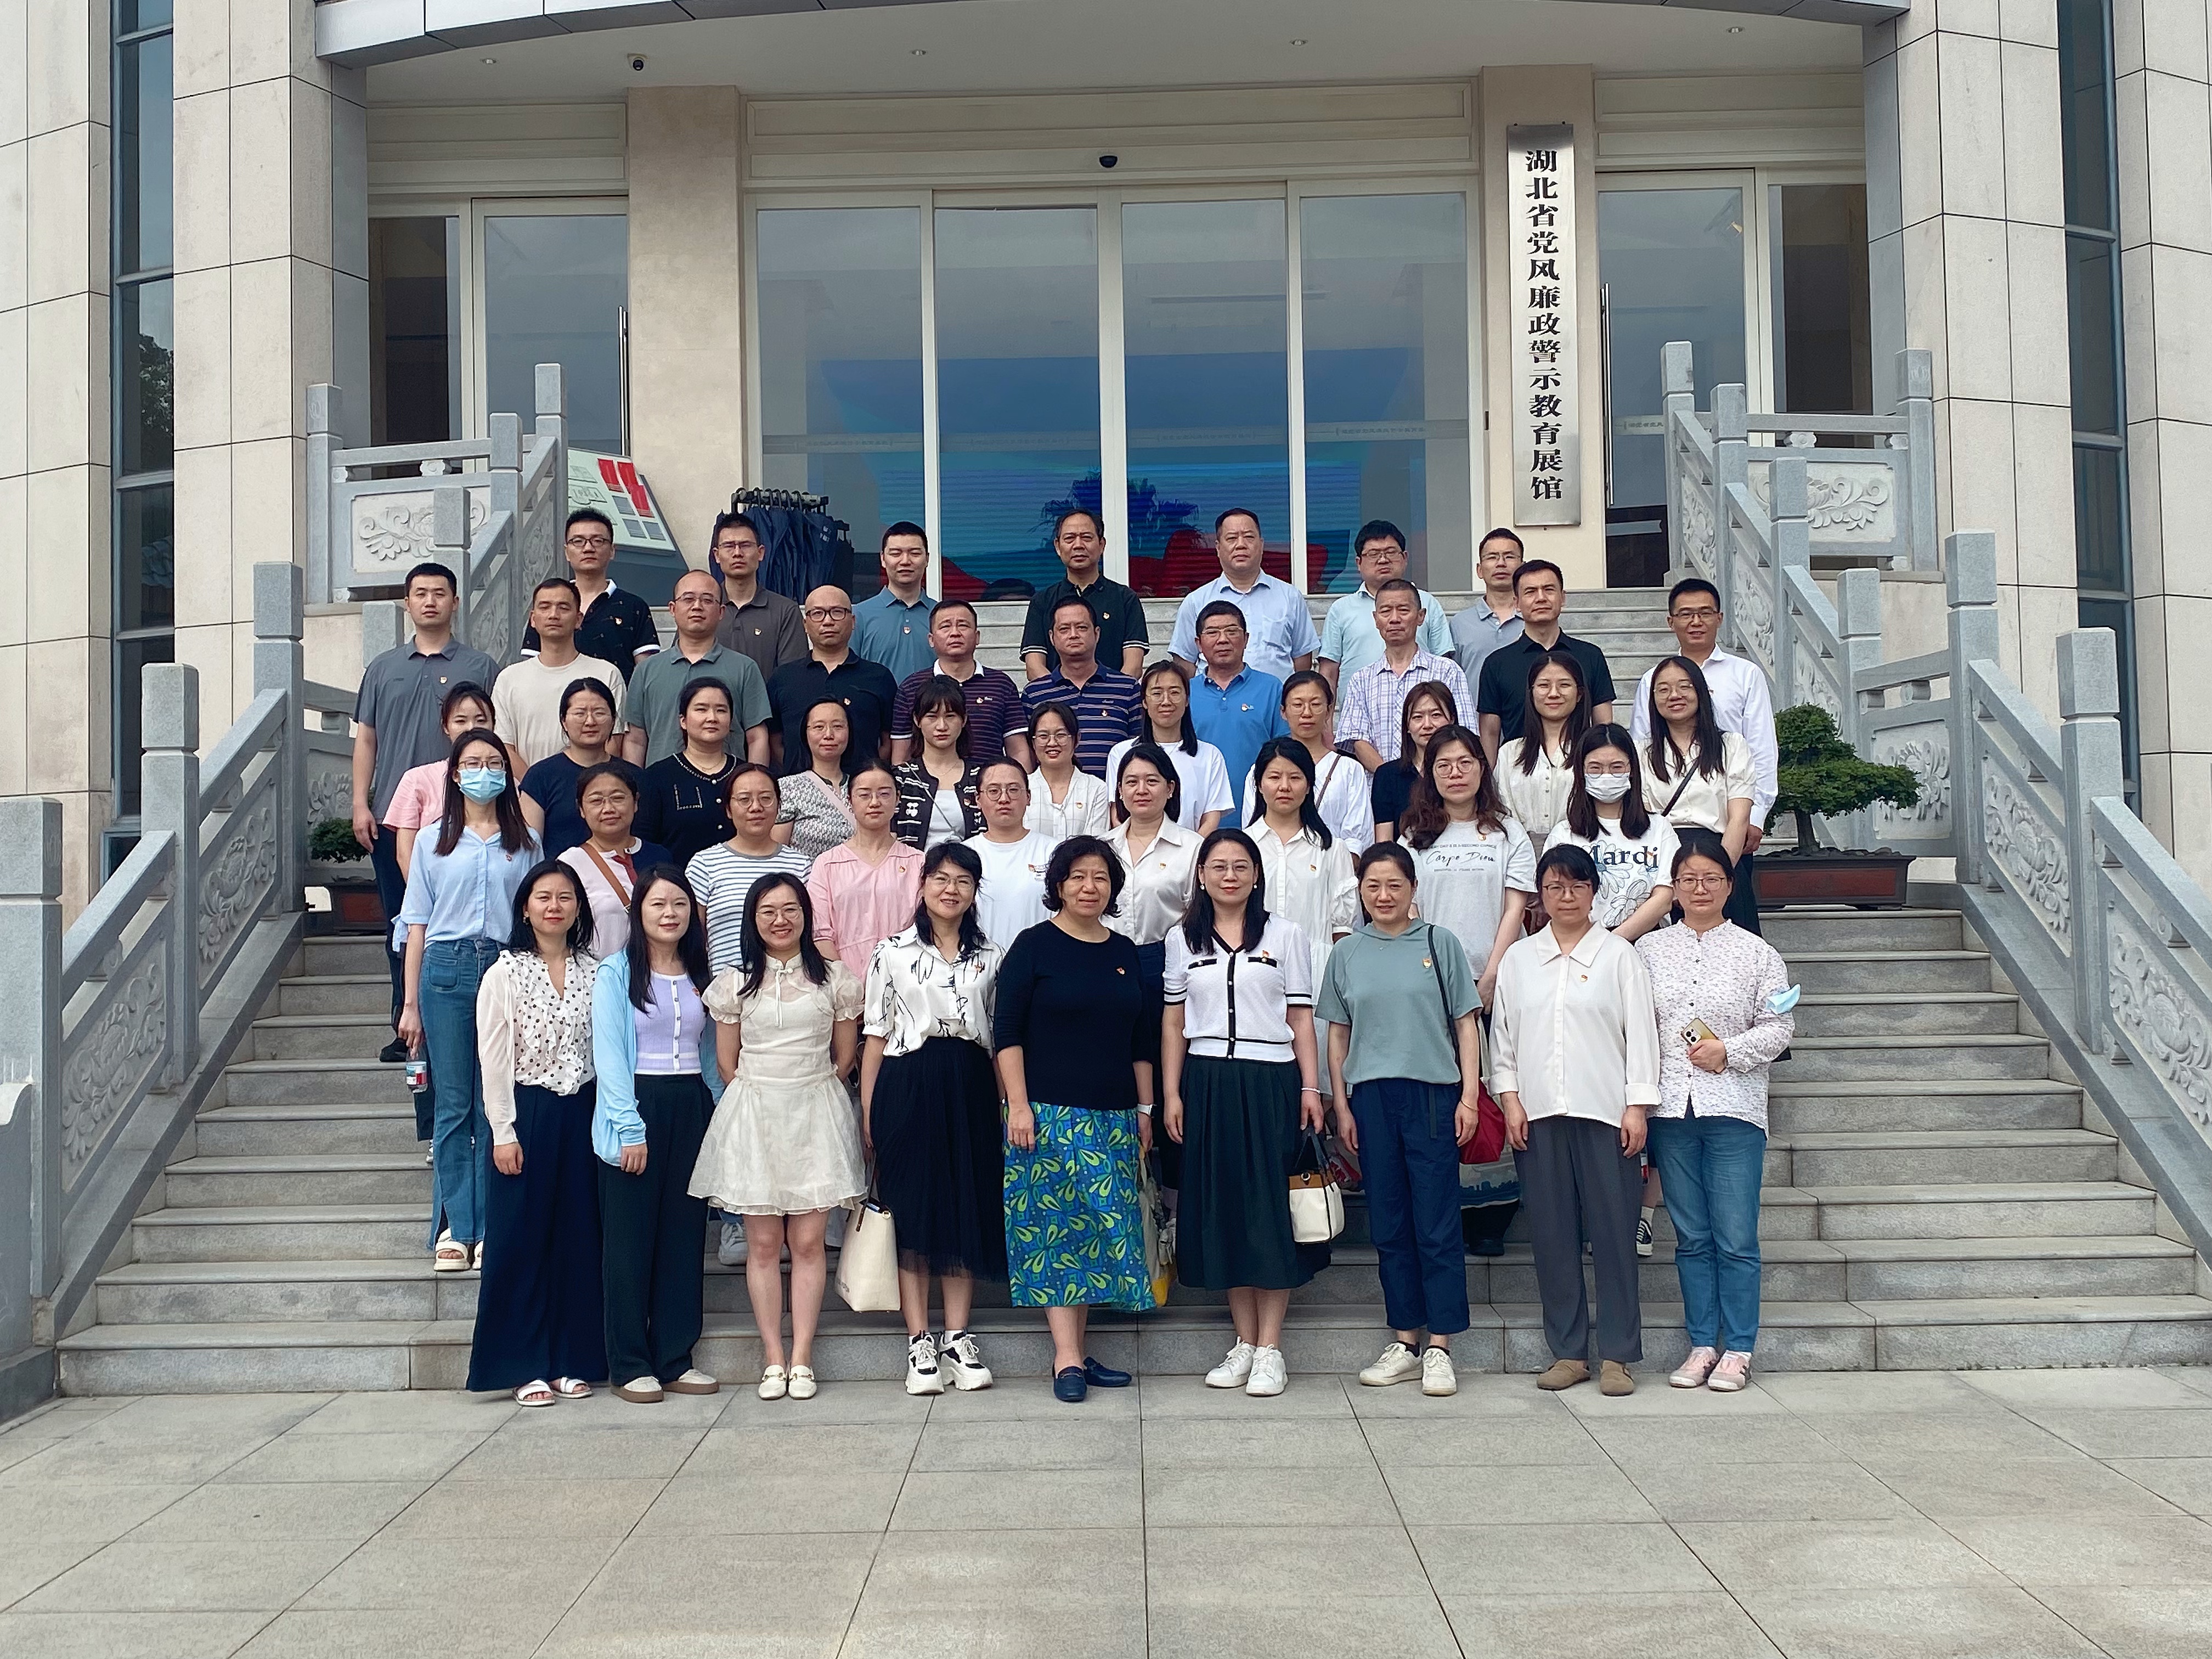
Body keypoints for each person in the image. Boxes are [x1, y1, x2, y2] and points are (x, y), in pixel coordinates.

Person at [1493, 844, 1661, 1397]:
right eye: (1554, 887)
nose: (1566, 897)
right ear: (1539, 897)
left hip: (1606, 1113)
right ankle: (1568, 1353)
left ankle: (1618, 1355)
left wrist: (1637, 1106)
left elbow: (1642, 1036)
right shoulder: (1520, 959)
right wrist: (1510, 1100)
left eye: (1577, 886)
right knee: (1552, 1236)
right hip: (1538, 1116)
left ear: (1594, 892)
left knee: (1614, 1236)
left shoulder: (1619, 956)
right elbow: (1504, 1039)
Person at [1319, 843, 1484, 1398]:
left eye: (1394, 885)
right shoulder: (1347, 952)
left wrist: (1468, 1096)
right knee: (1389, 1223)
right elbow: (1338, 1034)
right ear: (1360, 893)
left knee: (1436, 1221)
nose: (1384, 895)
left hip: (1433, 1096)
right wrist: (1343, 1105)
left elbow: (1466, 1024)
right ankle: (1406, 1339)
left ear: (1413, 888)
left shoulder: (1440, 943)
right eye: (1373, 886)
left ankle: (1441, 1345)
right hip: (1370, 1097)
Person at [1164, 828, 1324, 1398]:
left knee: (1268, 1210)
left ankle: (1271, 1348)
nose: (1229, 876)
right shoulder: (1182, 938)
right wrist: (1172, 1093)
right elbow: (1174, 1022)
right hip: (1207, 1081)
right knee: (1226, 1209)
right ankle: (1245, 1342)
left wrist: (1311, 1087)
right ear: (1201, 875)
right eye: (1218, 866)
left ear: (1257, 875)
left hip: (1270, 1081)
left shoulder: (1286, 934)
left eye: (1240, 866)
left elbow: (1301, 1017)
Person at [993, 836, 1155, 1402]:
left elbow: (1141, 1042)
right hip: (1046, 1117)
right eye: (1078, 876)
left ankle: (1079, 1353)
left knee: (1096, 1234)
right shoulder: (1033, 946)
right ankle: (1065, 1359)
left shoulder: (1124, 950)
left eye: (1101, 877)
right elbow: (1006, 1032)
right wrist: (1018, 1105)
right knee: (1056, 1233)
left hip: (1113, 1117)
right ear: (1058, 885)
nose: (1090, 887)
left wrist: (1145, 1110)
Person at [693, 873, 866, 1403]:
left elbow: (845, 1058)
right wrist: (768, 1090)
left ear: (806, 916)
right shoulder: (734, 983)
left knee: (809, 1243)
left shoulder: (835, 979)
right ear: (753, 920)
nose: (780, 920)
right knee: (764, 1245)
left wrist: (808, 1087)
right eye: (768, 911)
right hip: (756, 1115)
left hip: (815, 1112)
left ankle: (803, 1356)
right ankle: (773, 1357)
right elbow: (727, 1064)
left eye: (790, 909)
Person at [1637, 833, 1795, 1393]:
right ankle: (1703, 1343)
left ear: (1730, 886)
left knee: (1735, 1237)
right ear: (1673, 888)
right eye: (1689, 879)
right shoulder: (1648, 952)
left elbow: (1780, 1027)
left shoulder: (1758, 954)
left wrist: (1729, 1051)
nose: (1700, 889)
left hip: (1734, 1109)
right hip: (1670, 1111)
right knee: (1692, 1236)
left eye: (1712, 879)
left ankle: (1740, 1348)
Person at [860, 842, 1006, 1395]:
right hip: (908, 1082)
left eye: (963, 881)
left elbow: (998, 1040)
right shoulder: (891, 951)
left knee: (964, 1204)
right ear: (922, 886)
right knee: (914, 1208)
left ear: (974, 892)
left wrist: (1006, 1105)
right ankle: (919, 1340)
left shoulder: (992, 955)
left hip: (970, 1082)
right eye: (941, 878)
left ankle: (957, 1337)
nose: (951, 889)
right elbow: (875, 1035)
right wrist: (869, 1112)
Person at [396, 730, 543, 1272]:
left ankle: (491, 1228)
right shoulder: (432, 840)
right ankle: (459, 1228)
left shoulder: (527, 842)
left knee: (495, 1103)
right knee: (454, 1104)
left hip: (506, 969)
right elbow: (417, 924)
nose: (485, 771)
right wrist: (410, 1004)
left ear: (507, 772)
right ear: (456, 774)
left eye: (494, 763)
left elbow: (537, 919)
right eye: (473, 763)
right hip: (446, 969)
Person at [352, 562, 500, 1063]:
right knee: (404, 923)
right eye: (420, 593)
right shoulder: (382, 668)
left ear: (455, 602)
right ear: (408, 603)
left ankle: (472, 1022)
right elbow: (367, 739)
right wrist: (360, 802)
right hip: (396, 817)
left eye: (440, 593)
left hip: (466, 814)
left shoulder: (481, 667)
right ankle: (406, 1024)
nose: (430, 601)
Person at [470, 860, 605, 1404]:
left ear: (578, 908)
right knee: (521, 1239)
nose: (555, 906)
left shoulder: (597, 971)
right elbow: (493, 1059)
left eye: (565, 897)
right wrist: (503, 1131)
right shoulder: (504, 973)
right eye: (544, 897)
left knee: (579, 1236)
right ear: (525, 908)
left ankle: (573, 1359)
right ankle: (523, 1365)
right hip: (527, 1112)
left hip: (584, 1111)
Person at [591, 867, 720, 1404]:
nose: (670, 914)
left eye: (680, 904)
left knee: (683, 1236)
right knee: (629, 1241)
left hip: (690, 1103)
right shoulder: (616, 973)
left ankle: (675, 1357)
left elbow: (712, 1052)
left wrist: (718, 1113)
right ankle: (629, 1363)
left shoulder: (701, 974)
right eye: (658, 904)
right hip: (637, 1104)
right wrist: (630, 1128)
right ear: (638, 912)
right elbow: (609, 1057)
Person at [1629, 577, 1779, 865]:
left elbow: (1761, 748)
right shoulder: (1652, 679)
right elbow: (1643, 744)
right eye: (1686, 614)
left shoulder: (1746, 675)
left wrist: (1756, 815)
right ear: (1671, 622)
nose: (1696, 621)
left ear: (1719, 618)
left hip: (1728, 819)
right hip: (1665, 831)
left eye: (1705, 613)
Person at [1399, 725, 1535, 1009]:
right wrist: (1429, 969)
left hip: (1501, 975)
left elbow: (1515, 910)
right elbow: (1411, 910)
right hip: (1432, 976)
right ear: (1430, 774)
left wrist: (1491, 976)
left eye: (1465, 763)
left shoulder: (1509, 833)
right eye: (1444, 766)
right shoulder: (1413, 838)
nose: (1456, 774)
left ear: (1482, 768)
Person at [1642, 654, 1762, 935]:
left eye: (1684, 687)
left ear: (1701, 692)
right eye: (1663, 689)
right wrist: (1669, 884)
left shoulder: (1731, 746)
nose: (1674, 695)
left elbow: (1738, 819)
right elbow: (1644, 823)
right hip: (1665, 866)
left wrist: (1716, 876)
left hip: (1721, 856)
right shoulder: (1641, 753)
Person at [623, 569, 772, 769]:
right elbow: (636, 740)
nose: (697, 607)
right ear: (673, 609)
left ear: (721, 612)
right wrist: (635, 785)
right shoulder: (646, 670)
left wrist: (754, 782)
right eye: (688, 599)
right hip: (661, 784)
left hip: (728, 784)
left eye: (708, 600)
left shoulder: (744, 668)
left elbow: (757, 737)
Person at [1544, 726, 1679, 941]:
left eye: (1617, 767)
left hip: (1648, 943)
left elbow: (1664, 897)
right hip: (1582, 944)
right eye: (1595, 768)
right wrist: (1595, 946)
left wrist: (1612, 943)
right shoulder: (1563, 834)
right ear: (1581, 771)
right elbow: (1557, 897)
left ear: (1632, 769)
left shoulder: (1659, 828)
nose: (1606, 775)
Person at [1475, 560, 1616, 757]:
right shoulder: (1497, 663)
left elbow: (1604, 725)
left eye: (1549, 590)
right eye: (1530, 592)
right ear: (1517, 603)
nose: (1541, 598)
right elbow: (1490, 733)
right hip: (1518, 767)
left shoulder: (1591, 656)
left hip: (1578, 765)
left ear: (1563, 597)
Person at [1246, 737, 1358, 986]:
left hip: (1316, 974)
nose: (1284, 787)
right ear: (1259, 785)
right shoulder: (1244, 847)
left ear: (1309, 786)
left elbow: (1342, 929)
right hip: (1254, 975)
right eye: (1275, 777)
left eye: (1295, 778)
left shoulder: (1331, 849)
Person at [686, 761, 813, 973]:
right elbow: (694, 937)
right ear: (728, 809)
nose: (756, 807)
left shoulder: (800, 864)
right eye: (745, 799)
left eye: (766, 798)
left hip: (791, 986)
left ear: (779, 806)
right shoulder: (704, 864)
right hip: (726, 987)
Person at [1339, 578, 1471, 776]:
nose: (1394, 619)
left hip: (1438, 785)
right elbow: (1358, 740)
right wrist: (1393, 779)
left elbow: (1464, 732)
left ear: (1421, 616)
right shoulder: (1361, 680)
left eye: (1403, 610)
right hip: (1381, 787)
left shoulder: (1447, 672)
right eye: (1386, 611)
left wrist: (1426, 778)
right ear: (1376, 619)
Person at [1169, 508, 1318, 680]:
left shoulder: (1290, 597)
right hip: (1216, 698)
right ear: (1218, 547)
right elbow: (1185, 664)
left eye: (1249, 537)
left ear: (1261, 545)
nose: (1241, 545)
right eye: (1232, 538)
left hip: (1276, 697)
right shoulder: (1196, 601)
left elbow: (1302, 661)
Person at [495, 578, 628, 769]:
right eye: (545, 607)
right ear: (533, 619)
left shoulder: (607, 674)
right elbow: (504, 746)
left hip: (593, 785)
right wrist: (535, 784)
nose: (554, 615)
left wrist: (588, 784)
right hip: (525, 787)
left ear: (579, 619)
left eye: (563, 608)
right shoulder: (509, 679)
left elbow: (613, 742)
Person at [766, 586, 901, 775]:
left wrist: (867, 775)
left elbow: (889, 741)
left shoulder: (879, 677)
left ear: (853, 621)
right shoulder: (783, 678)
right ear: (805, 624)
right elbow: (775, 741)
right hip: (798, 786)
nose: (828, 621)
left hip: (862, 788)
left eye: (837, 612)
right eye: (818, 614)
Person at [385, 681, 511, 881]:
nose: (471, 728)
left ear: (493, 725)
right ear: (446, 726)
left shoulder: (506, 780)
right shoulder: (417, 780)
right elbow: (405, 854)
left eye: (481, 720)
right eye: (460, 721)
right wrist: (424, 895)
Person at [809, 760, 923, 979]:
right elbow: (820, 934)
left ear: (898, 798)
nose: (875, 802)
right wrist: (846, 985)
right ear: (849, 800)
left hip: (907, 981)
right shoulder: (827, 864)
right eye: (864, 795)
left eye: (884, 794)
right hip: (844, 984)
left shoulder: (917, 863)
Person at [520, 508, 662, 682]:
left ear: (612, 550)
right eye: (578, 541)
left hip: (615, 698)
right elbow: (532, 668)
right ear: (567, 552)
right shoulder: (549, 606)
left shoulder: (634, 607)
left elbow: (646, 674)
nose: (588, 548)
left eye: (598, 541)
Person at [1240, 670, 1373, 853]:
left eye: (1316, 704)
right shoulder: (1262, 770)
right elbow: (1252, 829)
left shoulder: (1349, 769)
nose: (1307, 713)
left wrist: (1333, 864)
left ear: (1329, 710)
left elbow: (1357, 839)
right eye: (1297, 705)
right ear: (1283, 712)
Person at [890, 599, 1031, 769]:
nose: (955, 633)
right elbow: (901, 756)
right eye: (945, 627)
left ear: (977, 637)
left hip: (990, 783)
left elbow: (1018, 750)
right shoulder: (911, 688)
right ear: (931, 639)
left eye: (963, 626)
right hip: (928, 784)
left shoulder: (1002, 685)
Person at [1018, 594, 1144, 778]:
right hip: (1051, 794)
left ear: (1097, 633)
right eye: (1064, 629)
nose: (1073, 635)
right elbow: (1028, 755)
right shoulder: (1034, 694)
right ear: (1052, 638)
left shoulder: (1128, 689)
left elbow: (1139, 751)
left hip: (1113, 793)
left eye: (1082, 627)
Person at [1318, 519, 1454, 688]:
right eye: (1373, 554)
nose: (1383, 560)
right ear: (1359, 563)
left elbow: (1444, 661)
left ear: (1405, 558)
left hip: (1420, 703)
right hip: (1359, 703)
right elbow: (1329, 672)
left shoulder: (1427, 602)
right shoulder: (1341, 609)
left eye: (1391, 552)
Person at [1020, 507, 1150, 680]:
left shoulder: (1125, 599)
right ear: (1058, 547)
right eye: (1070, 538)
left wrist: (1108, 694)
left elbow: (1133, 667)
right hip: (1056, 697)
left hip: (1113, 696)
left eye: (1087, 538)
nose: (1078, 545)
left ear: (1102, 545)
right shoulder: (1042, 601)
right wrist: (1062, 694)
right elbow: (1034, 667)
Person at [1105, 661, 1233, 834]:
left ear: (1187, 700)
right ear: (1144, 702)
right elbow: (1117, 814)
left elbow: (1211, 818)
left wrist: (1191, 848)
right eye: (1157, 693)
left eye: (1174, 693)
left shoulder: (1210, 755)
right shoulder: (1122, 752)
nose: (1166, 701)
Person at [559, 762, 670, 958]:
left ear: (635, 802)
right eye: (596, 801)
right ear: (581, 809)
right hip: (597, 971)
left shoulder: (660, 857)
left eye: (618, 798)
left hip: (655, 971)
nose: (608, 808)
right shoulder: (570, 864)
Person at [1184, 601, 1288, 798]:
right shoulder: (1184, 693)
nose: (1223, 640)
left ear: (1246, 639)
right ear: (1199, 643)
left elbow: (1284, 752)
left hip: (1258, 807)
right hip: (1199, 808)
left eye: (1232, 631)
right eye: (1212, 633)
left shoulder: (1271, 688)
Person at [635, 679, 743, 868]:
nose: (712, 718)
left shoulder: (745, 775)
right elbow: (644, 845)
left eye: (721, 710)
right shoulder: (656, 777)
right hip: (676, 883)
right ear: (683, 721)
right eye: (701, 709)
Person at [1494, 651, 1589, 845]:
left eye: (1564, 685)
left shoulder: (1592, 751)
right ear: (1531, 693)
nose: (1554, 694)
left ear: (1579, 694)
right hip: (1519, 851)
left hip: (1579, 849)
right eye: (1544, 685)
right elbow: (1499, 811)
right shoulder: (1509, 753)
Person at [520, 678, 620, 859]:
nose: (590, 721)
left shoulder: (632, 776)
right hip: (560, 875)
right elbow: (530, 849)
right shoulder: (541, 776)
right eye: (580, 714)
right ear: (564, 721)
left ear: (613, 720)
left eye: (599, 713)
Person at [710, 510, 809, 685]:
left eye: (745, 545)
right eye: (729, 546)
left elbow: (792, 680)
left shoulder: (785, 611)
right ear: (717, 555)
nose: (737, 553)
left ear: (761, 553)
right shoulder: (704, 608)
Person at [966, 760, 1057, 948]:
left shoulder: (1054, 852)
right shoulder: (965, 855)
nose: (1004, 799)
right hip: (977, 960)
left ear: (1028, 797)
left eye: (1013, 790)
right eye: (994, 791)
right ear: (978, 799)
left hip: (1040, 959)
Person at [891, 676, 986, 849]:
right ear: (917, 720)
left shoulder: (981, 778)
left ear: (964, 720)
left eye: (950, 716)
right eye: (932, 717)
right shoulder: (899, 778)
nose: (942, 726)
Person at [1369, 680, 1457, 844]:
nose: (1427, 725)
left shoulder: (1463, 771)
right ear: (1407, 726)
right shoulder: (1388, 775)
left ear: (1452, 719)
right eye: (1418, 717)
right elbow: (1384, 841)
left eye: (1436, 715)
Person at [852, 520, 938, 683]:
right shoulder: (859, 615)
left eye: (915, 553)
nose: (905, 561)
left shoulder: (941, 615)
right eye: (896, 553)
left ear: (927, 559)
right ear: (883, 559)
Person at [777, 696, 859, 865]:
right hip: (806, 879)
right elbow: (778, 856)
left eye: (838, 726)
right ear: (805, 734)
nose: (828, 735)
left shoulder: (864, 786)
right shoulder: (787, 788)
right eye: (819, 727)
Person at [1023, 701, 1111, 842]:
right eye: (1044, 736)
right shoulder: (1021, 788)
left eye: (1061, 735)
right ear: (1033, 742)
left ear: (1077, 739)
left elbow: (1094, 846)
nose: (1052, 743)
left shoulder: (1096, 788)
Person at [1448, 527, 1526, 685]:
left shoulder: (1534, 618)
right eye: (1492, 557)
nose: (1501, 563)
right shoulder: (1460, 624)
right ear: (1480, 570)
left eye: (1509, 557)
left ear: (1522, 567)